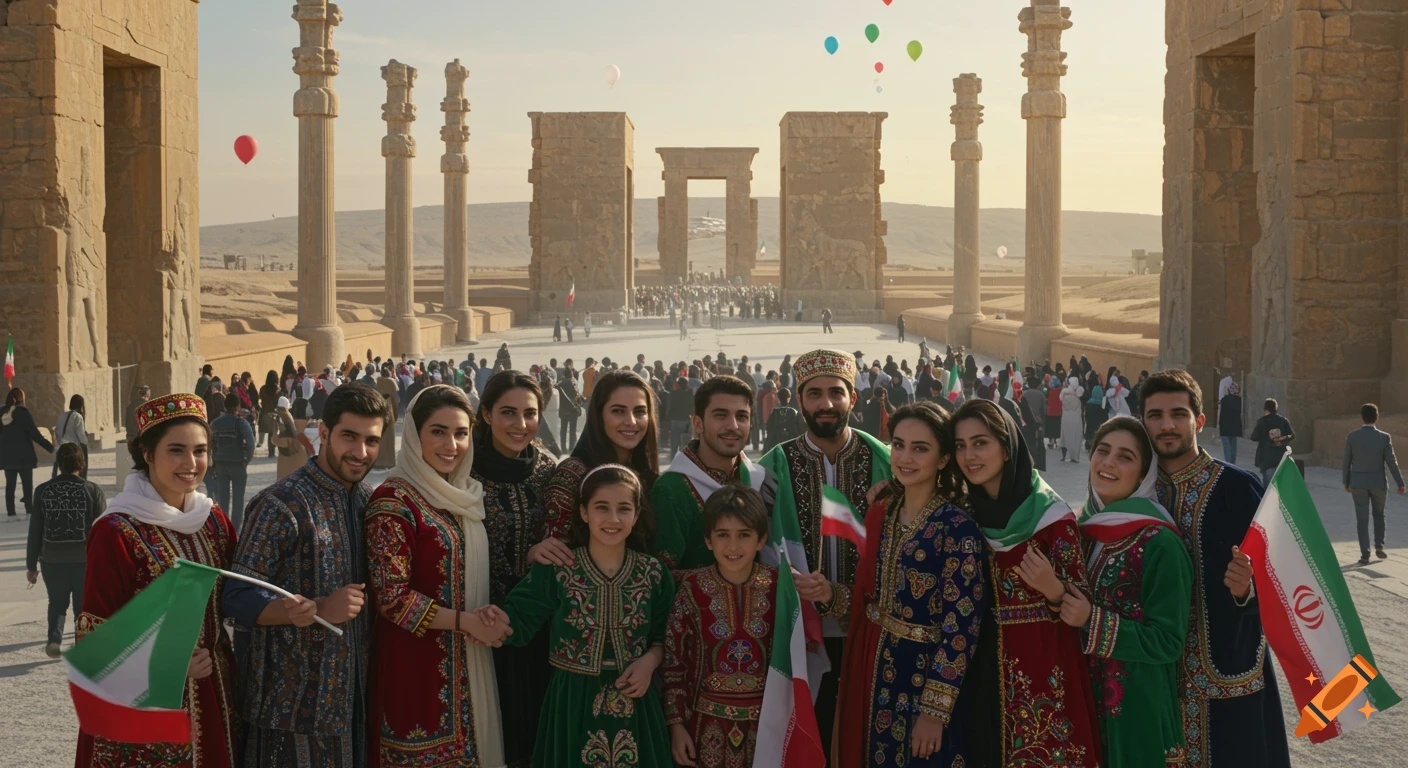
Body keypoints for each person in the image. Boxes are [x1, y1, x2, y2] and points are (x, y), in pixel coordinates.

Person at [223, 384, 392, 768]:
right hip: (289, 712)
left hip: (354, 706)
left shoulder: (370, 500)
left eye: (371, 440)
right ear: (324, 433)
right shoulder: (279, 504)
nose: (360, 452)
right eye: (350, 436)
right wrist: (314, 608)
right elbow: (236, 597)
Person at [75, 393, 239, 768]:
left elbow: (238, 594)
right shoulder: (116, 531)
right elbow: (95, 643)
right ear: (147, 454)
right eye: (176, 450)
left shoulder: (213, 520)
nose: (190, 463)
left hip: (214, 695)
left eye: (200, 451)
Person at [1140, 369, 1291, 768]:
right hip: (1156, 685)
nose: (1166, 424)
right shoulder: (1136, 494)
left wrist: (1250, 591)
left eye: (1178, 413)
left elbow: (1287, 581)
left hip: (1229, 679)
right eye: (1155, 415)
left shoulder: (1240, 489)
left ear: (1199, 421)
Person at [364, 385, 511, 767]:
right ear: (414, 436)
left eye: (461, 433)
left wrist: (485, 617)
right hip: (415, 669)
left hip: (469, 659)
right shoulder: (393, 502)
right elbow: (393, 599)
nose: (451, 444)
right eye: (438, 431)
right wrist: (468, 623)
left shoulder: (465, 496)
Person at [834, 401, 987, 767]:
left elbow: (961, 628)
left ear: (944, 458)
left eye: (920, 449)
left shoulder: (958, 529)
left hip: (923, 677)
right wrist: (828, 596)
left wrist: (934, 712)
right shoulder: (883, 509)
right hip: (874, 670)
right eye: (898, 445)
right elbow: (873, 598)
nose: (905, 457)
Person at [757, 348, 893, 756]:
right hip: (800, 636)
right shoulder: (771, 468)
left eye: (836, 392)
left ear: (854, 398)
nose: (826, 403)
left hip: (871, 630)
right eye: (813, 393)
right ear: (798, 401)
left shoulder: (888, 464)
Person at [949, 398, 1099, 766]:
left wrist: (1053, 589)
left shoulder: (1051, 517)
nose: (969, 455)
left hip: (1043, 668)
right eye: (960, 445)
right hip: (977, 666)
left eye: (981, 442)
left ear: (1007, 446)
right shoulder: (961, 512)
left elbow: (1084, 606)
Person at [498, 464, 676, 767]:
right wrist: (490, 618)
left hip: (635, 696)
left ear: (636, 514)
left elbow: (666, 636)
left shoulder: (653, 573)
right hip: (572, 700)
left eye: (624, 508)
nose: (613, 519)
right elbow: (517, 620)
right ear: (583, 512)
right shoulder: (558, 567)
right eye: (601, 508)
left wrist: (649, 662)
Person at [1067, 417, 1193, 767]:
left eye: (1125, 457)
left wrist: (1092, 622)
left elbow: (1168, 641)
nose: (1108, 463)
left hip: (1138, 710)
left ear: (1143, 475)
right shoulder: (1079, 531)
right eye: (1102, 451)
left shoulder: (1160, 542)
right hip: (1081, 702)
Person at [467, 371, 562, 767]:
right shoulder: (462, 471)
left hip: (536, 623)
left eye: (530, 413)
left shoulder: (548, 469)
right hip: (477, 620)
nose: (520, 425)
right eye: (508, 412)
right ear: (486, 414)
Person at [663, 485, 776, 768]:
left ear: (761, 540)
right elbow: (674, 663)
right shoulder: (693, 589)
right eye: (723, 535)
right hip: (704, 724)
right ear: (708, 540)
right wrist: (677, 726)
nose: (733, 546)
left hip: (767, 726)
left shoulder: (779, 587)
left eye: (744, 535)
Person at [652, 376, 761, 572]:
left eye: (742, 416)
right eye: (721, 415)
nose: (733, 425)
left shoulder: (760, 477)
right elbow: (661, 575)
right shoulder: (671, 490)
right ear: (698, 423)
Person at [542, 369, 660, 541]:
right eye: (618, 411)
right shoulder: (572, 476)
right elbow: (555, 550)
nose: (631, 421)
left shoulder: (651, 479)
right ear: (598, 416)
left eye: (640, 412)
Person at [26, 443, 104, 658]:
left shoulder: (42, 490)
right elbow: (102, 531)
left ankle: (54, 639)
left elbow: (35, 531)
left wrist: (31, 565)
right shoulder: (92, 490)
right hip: (84, 558)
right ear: (82, 463)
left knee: (57, 603)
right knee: (83, 604)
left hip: (52, 557)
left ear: (59, 464)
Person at [1343, 402, 1405, 565]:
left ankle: (1365, 554)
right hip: (1378, 482)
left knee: (1361, 518)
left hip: (1358, 482)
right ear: (1376, 417)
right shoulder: (1384, 437)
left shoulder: (1352, 437)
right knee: (1379, 514)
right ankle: (1379, 545)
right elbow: (1392, 462)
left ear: (1362, 418)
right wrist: (1400, 482)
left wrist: (1346, 481)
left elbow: (1346, 462)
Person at [1, 387, 53, 516]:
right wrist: (49, 447)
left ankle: (11, 512)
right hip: (24, 456)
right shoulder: (23, 412)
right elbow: (34, 433)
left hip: (8, 457)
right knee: (27, 484)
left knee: (10, 486)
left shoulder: (2, 412)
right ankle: (29, 509)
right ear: (21, 399)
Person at [210, 392, 256, 529]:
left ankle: (223, 525)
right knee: (238, 498)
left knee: (222, 497)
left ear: (225, 406)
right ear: (238, 406)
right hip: (237, 464)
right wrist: (246, 459)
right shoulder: (241, 423)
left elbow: (211, 443)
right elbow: (251, 443)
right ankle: (235, 527)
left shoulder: (215, 423)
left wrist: (214, 460)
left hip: (221, 464)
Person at [1248, 398, 1294, 485]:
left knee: (1268, 489)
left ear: (1265, 409)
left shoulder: (1262, 421)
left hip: (1267, 458)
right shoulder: (1283, 420)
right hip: (1281, 457)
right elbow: (1292, 435)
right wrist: (1281, 439)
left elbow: (1254, 437)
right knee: (1280, 486)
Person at [269, 396, 313, 480]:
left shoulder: (284, 417)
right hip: (299, 453)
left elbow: (285, 440)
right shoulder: (292, 418)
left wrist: (274, 437)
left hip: (290, 454)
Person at [51, 393, 88, 478]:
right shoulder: (78, 417)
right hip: (73, 450)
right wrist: (85, 443)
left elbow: (57, 431)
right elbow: (81, 435)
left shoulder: (62, 416)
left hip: (61, 448)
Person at [1060, 376, 1086, 462]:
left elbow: (1060, 400)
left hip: (1066, 418)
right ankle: (1075, 457)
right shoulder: (1079, 395)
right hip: (1076, 418)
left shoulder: (1064, 394)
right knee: (1076, 437)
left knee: (1064, 437)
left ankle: (1064, 456)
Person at [1217, 380, 1243, 465]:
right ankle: (1232, 463)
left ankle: (1228, 463)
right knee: (1233, 445)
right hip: (1235, 428)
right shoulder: (1239, 400)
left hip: (1225, 427)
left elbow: (1222, 414)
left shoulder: (1225, 400)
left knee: (1227, 446)